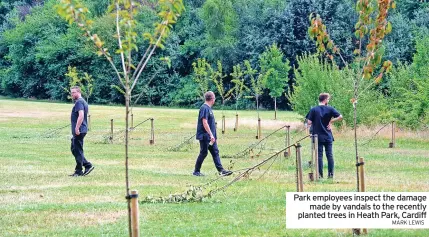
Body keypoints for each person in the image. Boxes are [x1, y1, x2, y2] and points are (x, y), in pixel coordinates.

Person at [193, 91, 233, 177]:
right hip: (205, 136)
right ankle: (196, 171)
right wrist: (211, 135)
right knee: (203, 153)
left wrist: (213, 136)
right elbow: (204, 122)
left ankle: (221, 171)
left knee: (215, 152)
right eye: (214, 98)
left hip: (211, 137)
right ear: (212, 99)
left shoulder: (208, 108)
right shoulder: (204, 108)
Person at [306, 93, 343, 179]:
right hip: (328, 136)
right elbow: (340, 117)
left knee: (319, 156)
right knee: (329, 155)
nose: (328, 101)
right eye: (328, 99)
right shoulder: (330, 109)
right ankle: (330, 175)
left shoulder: (314, 109)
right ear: (325, 100)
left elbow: (309, 122)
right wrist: (331, 122)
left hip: (317, 136)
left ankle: (320, 175)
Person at [69, 86, 94, 177]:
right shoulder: (82, 101)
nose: (72, 94)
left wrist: (76, 128)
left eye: (73, 92)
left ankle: (80, 170)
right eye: (71, 93)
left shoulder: (79, 102)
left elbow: (81, 116)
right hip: (81, 129)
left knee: (78, 150)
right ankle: (86, 165)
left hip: (79, 130)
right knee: (74, 148)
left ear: (78, 92)